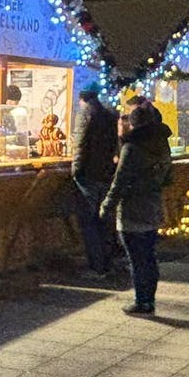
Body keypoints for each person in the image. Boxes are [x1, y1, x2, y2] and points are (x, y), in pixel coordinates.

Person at [99, 101, 171, 315]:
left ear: (133, 125)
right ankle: (149, 299)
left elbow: (119, 181)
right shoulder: (161, 145)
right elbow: (168, 178)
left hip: (132, 208)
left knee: (136, 258)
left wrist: (106, 206)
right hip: (152, 206)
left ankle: (142, 301)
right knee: (148, 255)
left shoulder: (132, 148)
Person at [70, 86, 121, 277]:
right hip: (106, 174)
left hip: (89, 175)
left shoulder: (85, 114)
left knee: (89, 222)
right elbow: (115, 145)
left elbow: (80, 144)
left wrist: (75, 170)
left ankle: (96, 266)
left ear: (82, 98)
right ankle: (107, 263)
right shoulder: (109, 115)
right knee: (104, 221)